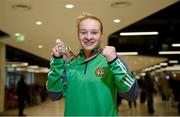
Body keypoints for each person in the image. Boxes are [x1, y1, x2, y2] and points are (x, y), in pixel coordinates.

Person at [46, 12, 139, 116]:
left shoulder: (111, 60)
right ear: (78, 35)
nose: (88, 37)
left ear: (101, 35)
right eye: (83, 32)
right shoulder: (70, 64)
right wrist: (57, 60)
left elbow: (132, 94)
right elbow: (54, 95)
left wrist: (114, 61)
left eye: (94, 32)